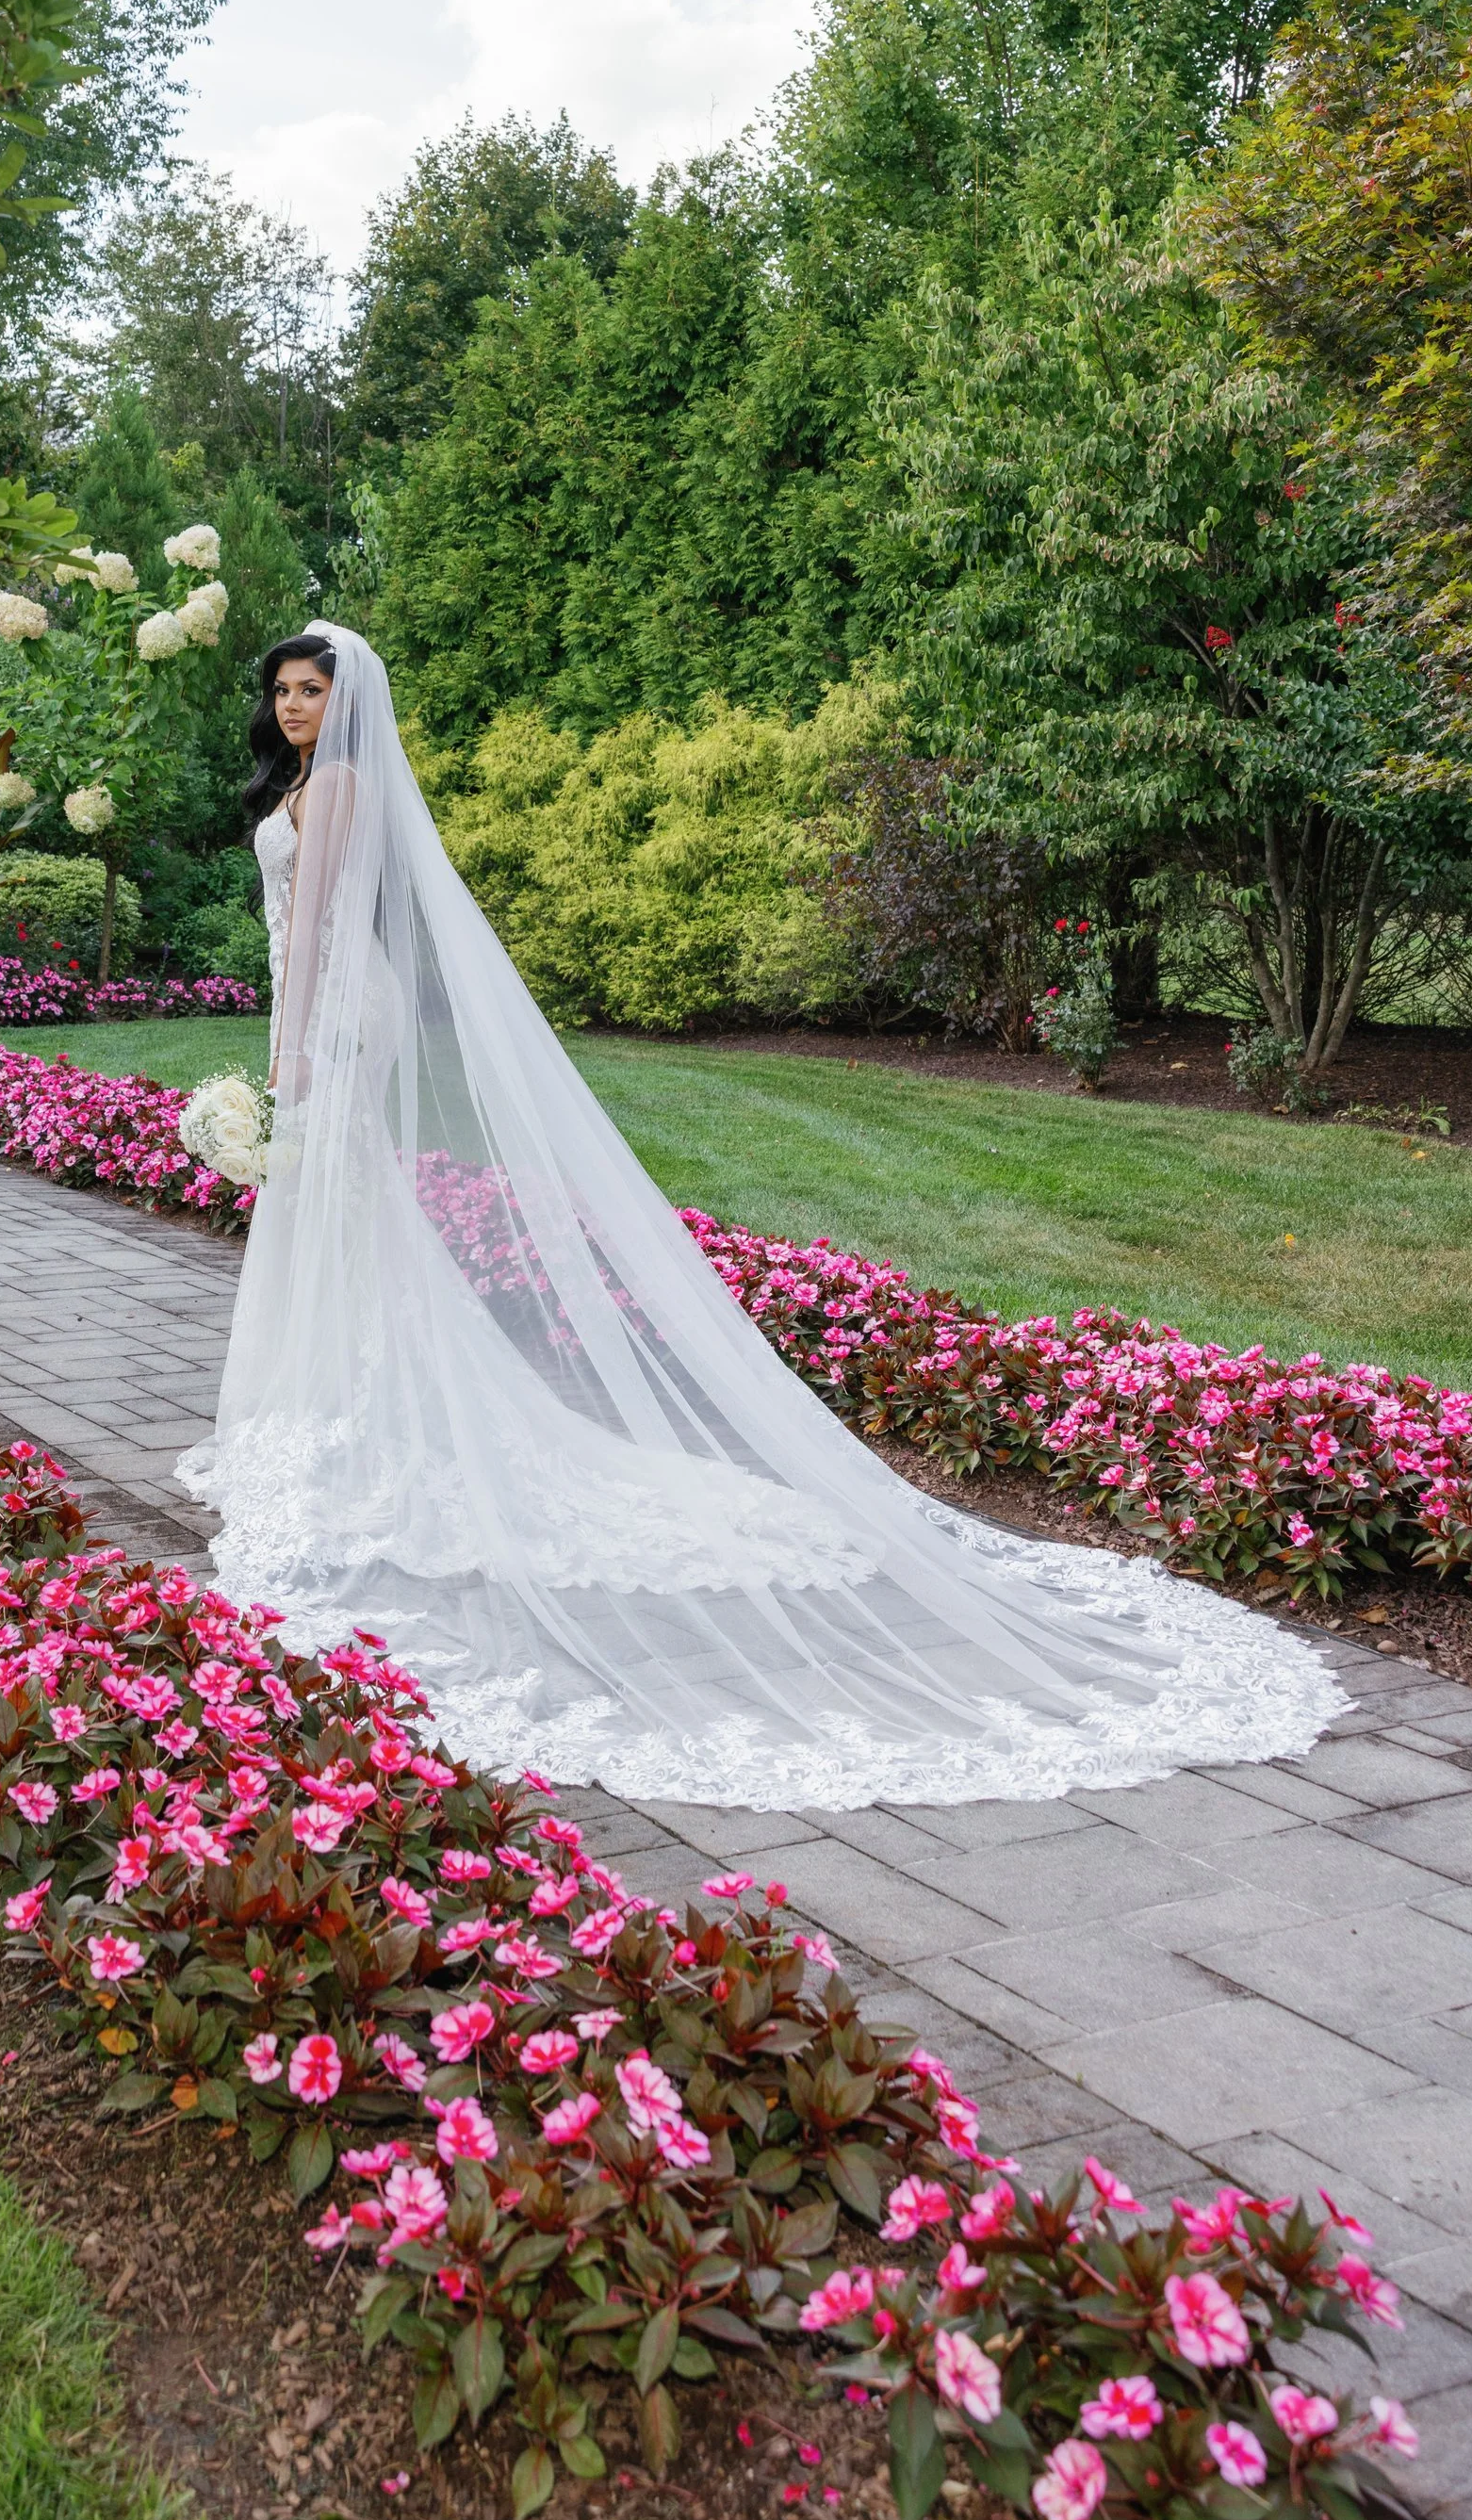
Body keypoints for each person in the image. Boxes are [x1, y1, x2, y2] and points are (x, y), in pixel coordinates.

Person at [178, 622, 1338, 1810]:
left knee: (344, 1200)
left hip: (334, 1016)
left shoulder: (347, 785)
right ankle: (356, 1403)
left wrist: (293, 1060)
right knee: (347, 1211)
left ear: (346, 697)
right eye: (281, 691)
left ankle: (370, 1412)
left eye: (310, 688)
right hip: (315, 1011)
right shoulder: (308, 782)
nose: (292, 706)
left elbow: (319, 933)